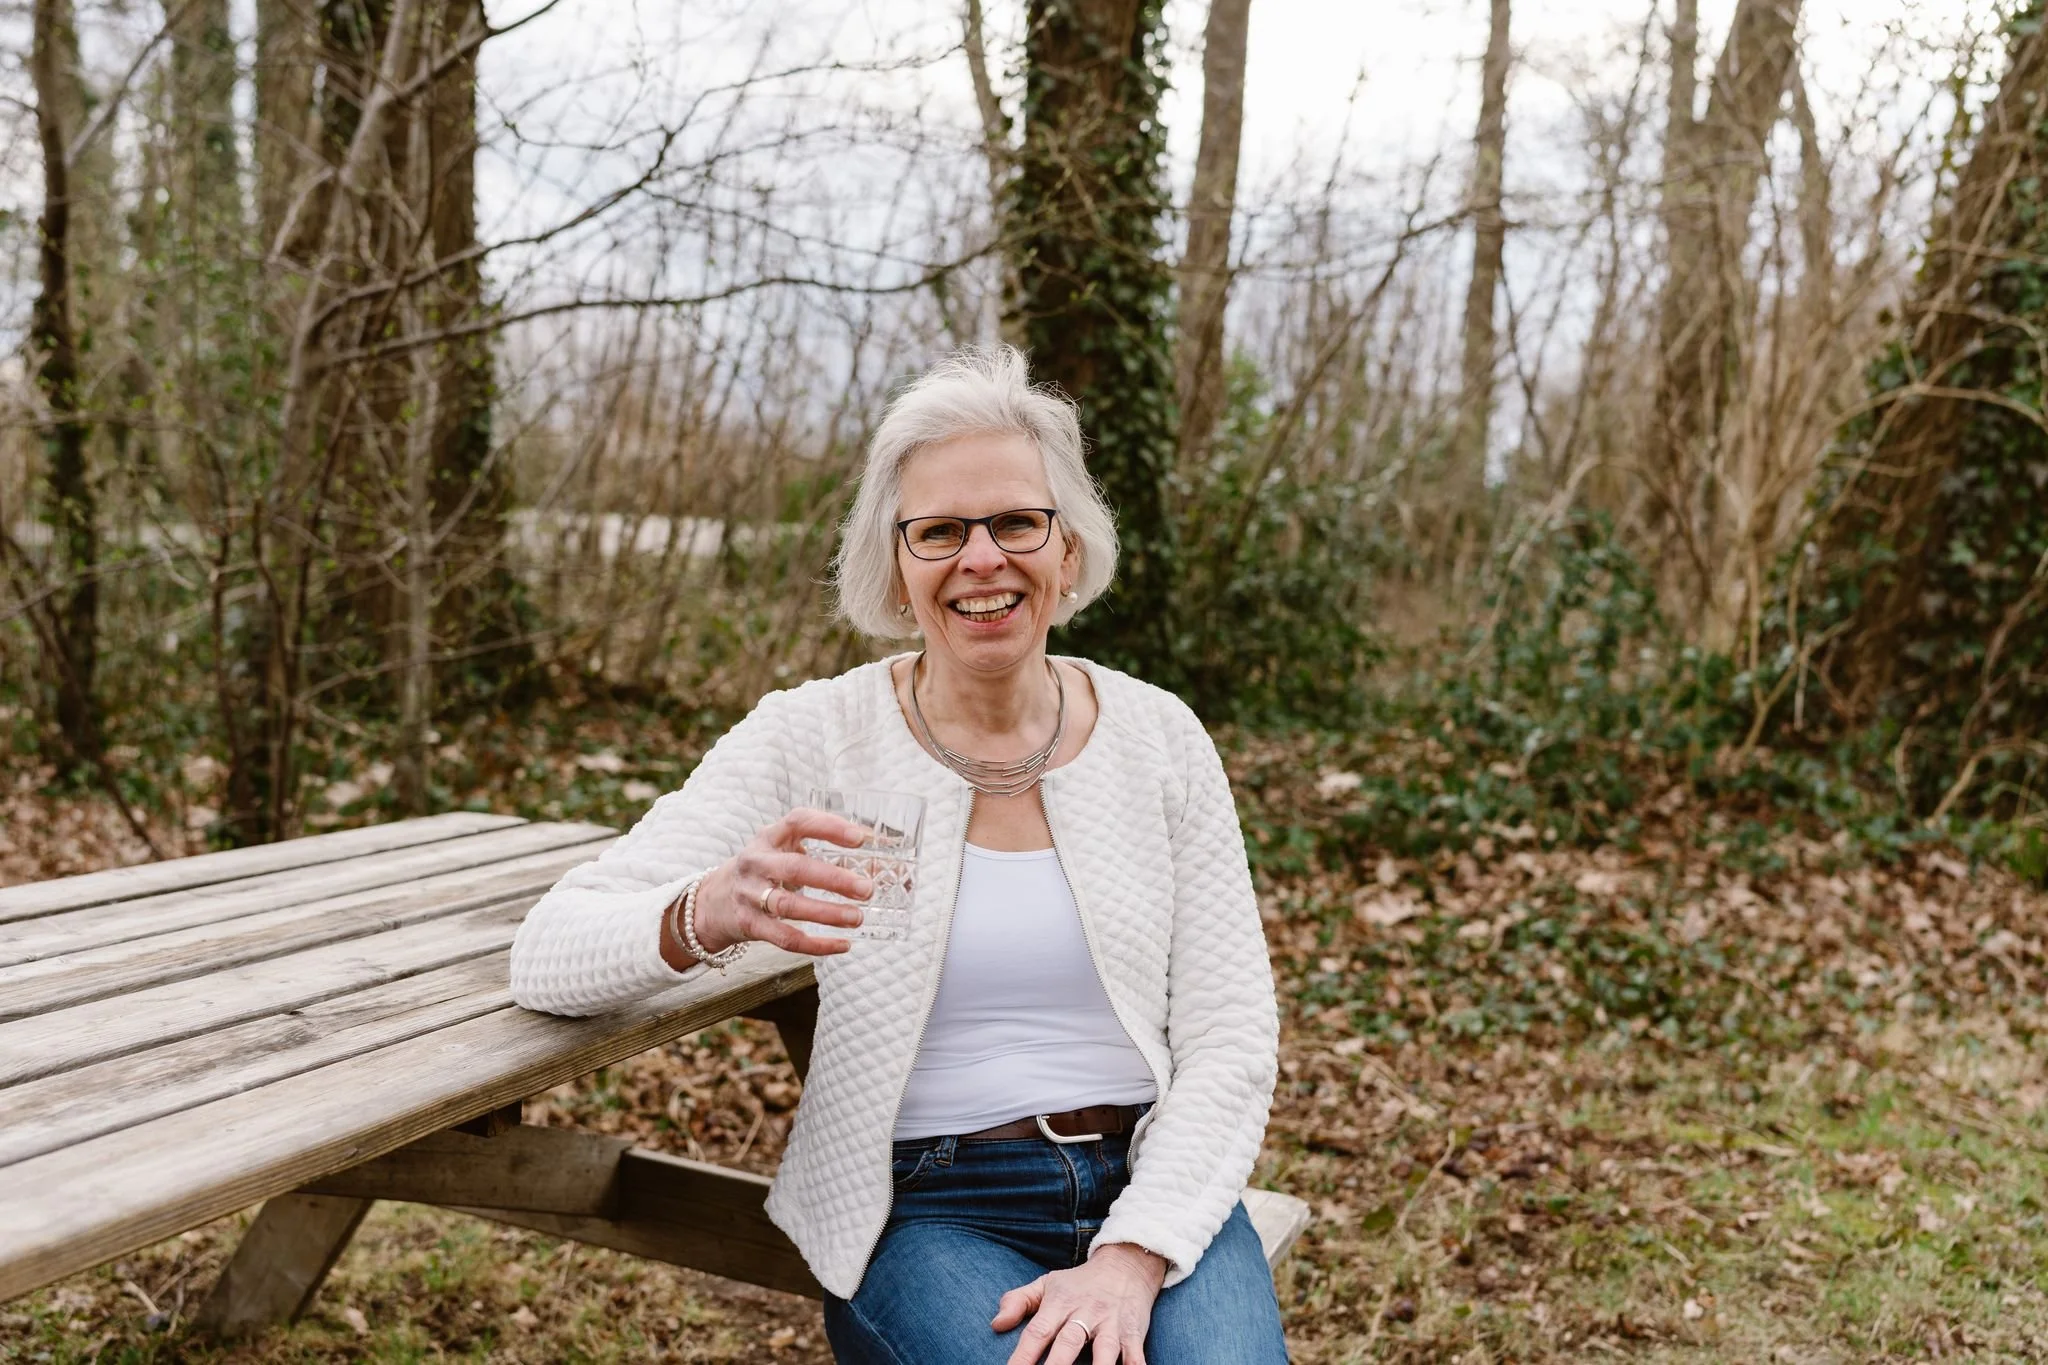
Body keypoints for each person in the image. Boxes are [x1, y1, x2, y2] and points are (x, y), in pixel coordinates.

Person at [509, 345, 1287, 1364]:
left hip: (1152, 1180)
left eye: (1015, 521)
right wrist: (708, 908)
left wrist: (1133, 1253)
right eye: (939, 531)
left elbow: (1231, 1037)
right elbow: (546, 953)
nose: (981, 559)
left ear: (1066, 548)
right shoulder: (813, 738)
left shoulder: (1159, 739)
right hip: (929, 1207)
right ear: (896, 558)